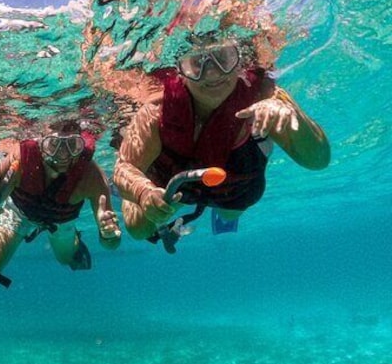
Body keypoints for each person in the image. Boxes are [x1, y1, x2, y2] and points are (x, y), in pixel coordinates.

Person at [112, 29, 330, 250]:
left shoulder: (265, 95)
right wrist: (144, 193)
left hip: (235, 184)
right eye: (197, 64)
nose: (213, 74)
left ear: (238, 60)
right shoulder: (157, 109)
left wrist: (291, 119)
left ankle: (224, 214)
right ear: (181, 71)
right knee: (137, 229)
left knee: (231, 210)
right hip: (173, 183)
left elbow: (319, 160)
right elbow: (124, 167)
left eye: (223, 58)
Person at [0, 120, 121, 283]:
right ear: (40, 144)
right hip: (17, 214)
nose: (63, 155)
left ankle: (76, 241)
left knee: (65, 259)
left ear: (81, 146)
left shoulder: (91, 175)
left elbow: (111, 245)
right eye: (53, 144)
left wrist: (108, 236)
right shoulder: (20, 158)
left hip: (62, 222)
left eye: (72, 145)